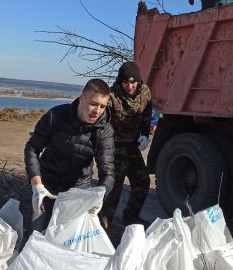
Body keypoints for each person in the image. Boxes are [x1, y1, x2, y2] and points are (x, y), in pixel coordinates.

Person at [24, 78, 115, 232]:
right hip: (47, 183)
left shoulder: (104, 131)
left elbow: (108, 172)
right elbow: (32, 148)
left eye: (102, 106)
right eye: (93, 103)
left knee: (68, 241)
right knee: (35, 234)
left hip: (78, 189)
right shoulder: (56, 116)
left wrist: (99, 196)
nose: (97, 111)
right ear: (81, 98)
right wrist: (36, 184)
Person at [102, 61, 153, 227]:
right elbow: (100, 120)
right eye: (125, 82)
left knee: (142, 181)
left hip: (132, 146)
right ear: (120, 81)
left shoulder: (145, 92)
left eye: (133, 82)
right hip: (114, 148)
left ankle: (131, 216)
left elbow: (147, 114)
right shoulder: (111, 96)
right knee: (113, 188)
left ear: (138, 81)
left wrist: (145, 135)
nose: (129, 86)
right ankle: (104, 222)